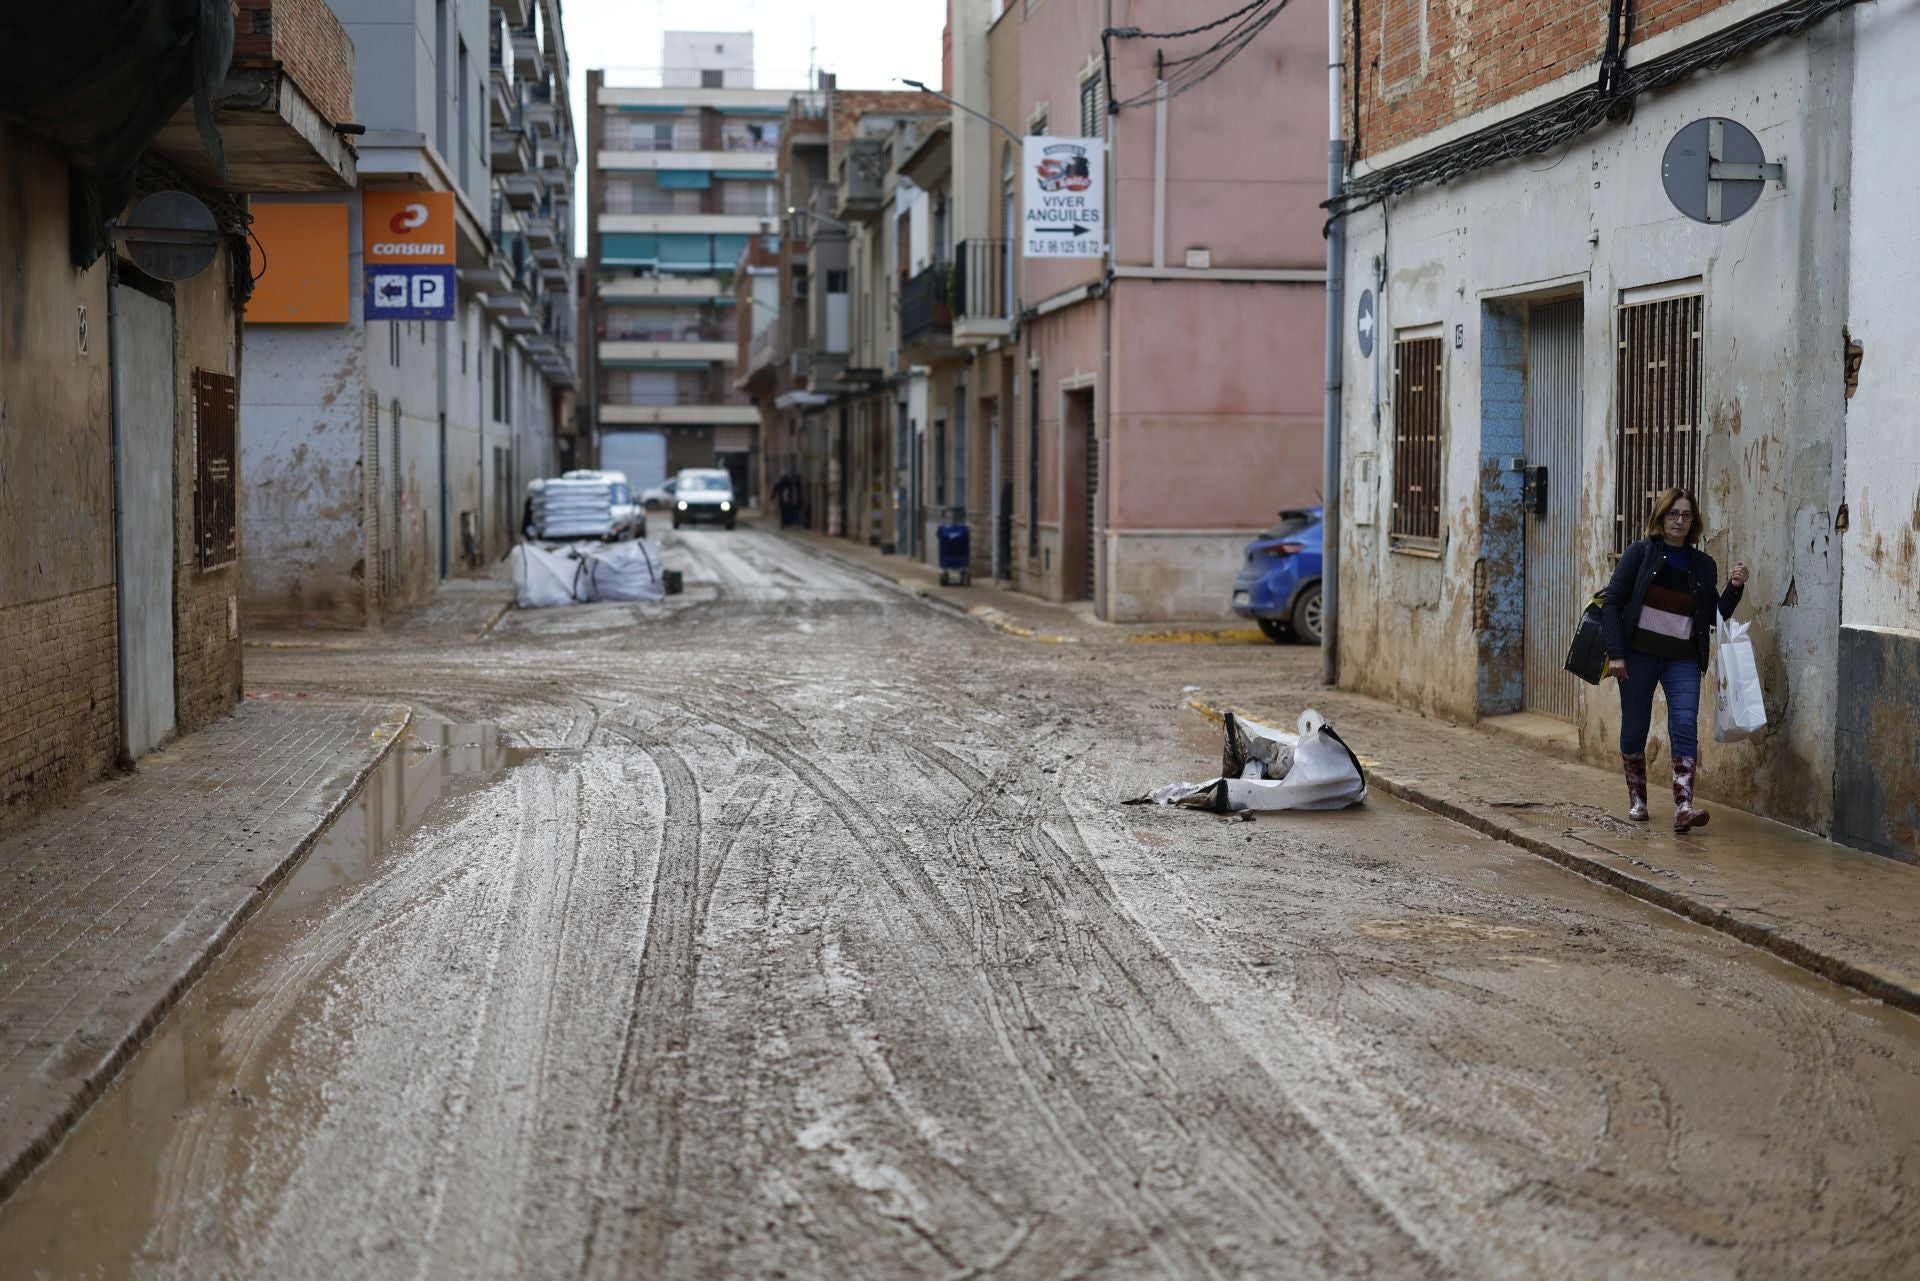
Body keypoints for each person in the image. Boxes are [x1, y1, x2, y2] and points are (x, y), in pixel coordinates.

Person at [1600, 487, 1748, 832]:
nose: (1679, 521)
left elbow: (1713, 615)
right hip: (1638, 656)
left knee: (1684, 725)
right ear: (1661, 516)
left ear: (1693, 521)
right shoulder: (1639, 554)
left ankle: (1683, 806)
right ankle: (1638, 797)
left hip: (1682, 659)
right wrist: (1617, 654)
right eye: (1673, 514)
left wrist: (1734, 588)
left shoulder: (1702, 565)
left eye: (1686, 515)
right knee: (1635, 727)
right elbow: (1612, 603)